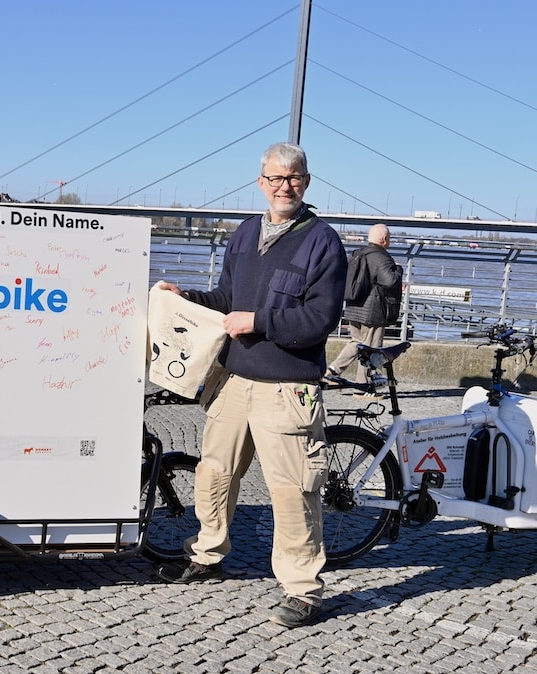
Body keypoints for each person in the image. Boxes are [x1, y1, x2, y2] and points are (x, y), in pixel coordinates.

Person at [154, 142, 346, 628]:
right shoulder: (244, 234)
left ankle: (303, 590)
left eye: (294, 178)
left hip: (287, 388)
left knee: (293, 489)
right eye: (276, 179)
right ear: (261, 182)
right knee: (215, 472)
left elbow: (319, 320)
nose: (285, 186)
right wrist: (187, 296)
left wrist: (257, 321)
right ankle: (208, 553)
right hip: (236, 379)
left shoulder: (323, 242)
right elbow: (224, 299)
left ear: (307, 180)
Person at [326, 223, 403, 390]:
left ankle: (332, 371)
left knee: (356, 342)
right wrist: (398, 269)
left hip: (354, 308)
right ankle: (363, 386)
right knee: (371, 348)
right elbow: (390, 281)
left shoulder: (358, 254)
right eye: (388, 238)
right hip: (373, 311)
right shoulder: (380, 257)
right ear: (384, 239)